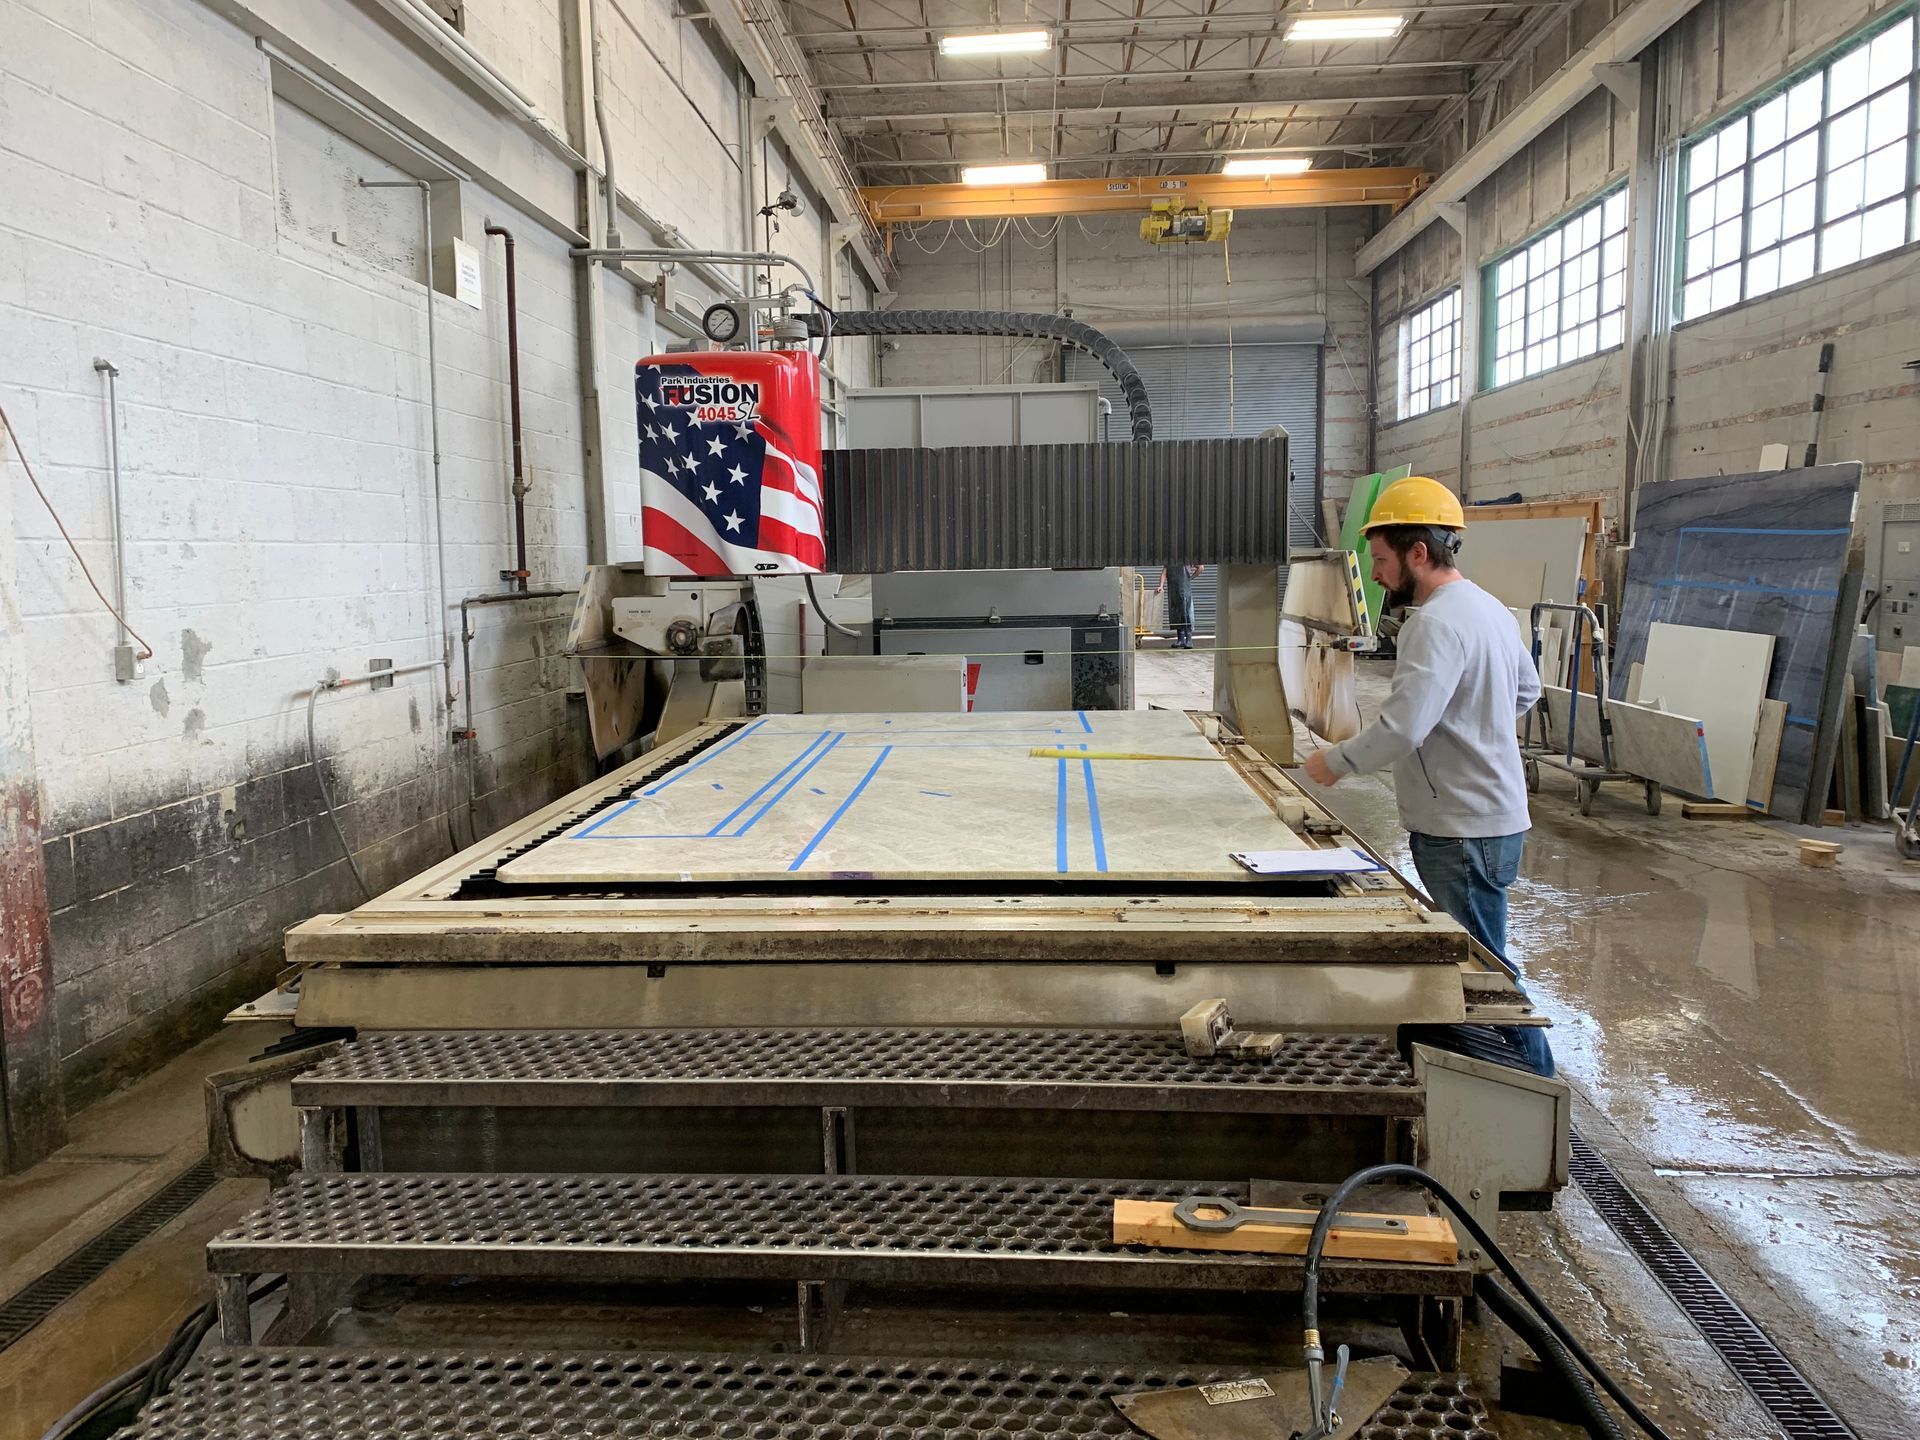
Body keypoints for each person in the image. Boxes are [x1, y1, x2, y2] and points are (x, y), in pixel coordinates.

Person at [1300, 477, 1552, 1077]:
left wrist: (1335, 762)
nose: (1377, 575)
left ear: (1418, 552)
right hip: (1495, 816)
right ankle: (1499, 1080)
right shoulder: (1489, 608)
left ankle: (1535, 1089)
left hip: (1460, 825)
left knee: (1484, 972)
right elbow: (1526, 691)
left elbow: (1403, 727)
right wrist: (1473, 723)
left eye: (1382, 561)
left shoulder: (1433, 623)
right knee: (1482, 956)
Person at [1157, 563, 1202, 648]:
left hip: (1185, 590)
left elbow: (1201, 567)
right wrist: (1161, 586)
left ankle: (1189, 640)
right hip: (1173, 591)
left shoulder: (1187, 558)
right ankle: (1180, 640)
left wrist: (1191, 577)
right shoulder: (1169, 560)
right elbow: (1164, 573)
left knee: (1186, 614)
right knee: (1176, 614)